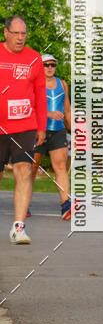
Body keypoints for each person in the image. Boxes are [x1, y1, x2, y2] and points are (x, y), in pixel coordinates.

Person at [0, 16, 46, 244]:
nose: (20, 38)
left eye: (24, 34)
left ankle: (18, 227)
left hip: (24, 125)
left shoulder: (34, 58)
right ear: (6, 33)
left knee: (23, 170)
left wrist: (41, 126)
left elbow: (39, 93)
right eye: (16, 33)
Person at [30, 53, 72, 220]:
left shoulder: (62, 84)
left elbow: (67, 110)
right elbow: (29, 108)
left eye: (52, 65)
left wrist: (75, 130)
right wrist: (48, 114)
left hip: (58, 131)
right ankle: (24, 204)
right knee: (31, 168)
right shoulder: (33, 84)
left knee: (60, 167)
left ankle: (66, 205)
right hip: (36, 130)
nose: (49, 68)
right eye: (45, 65)